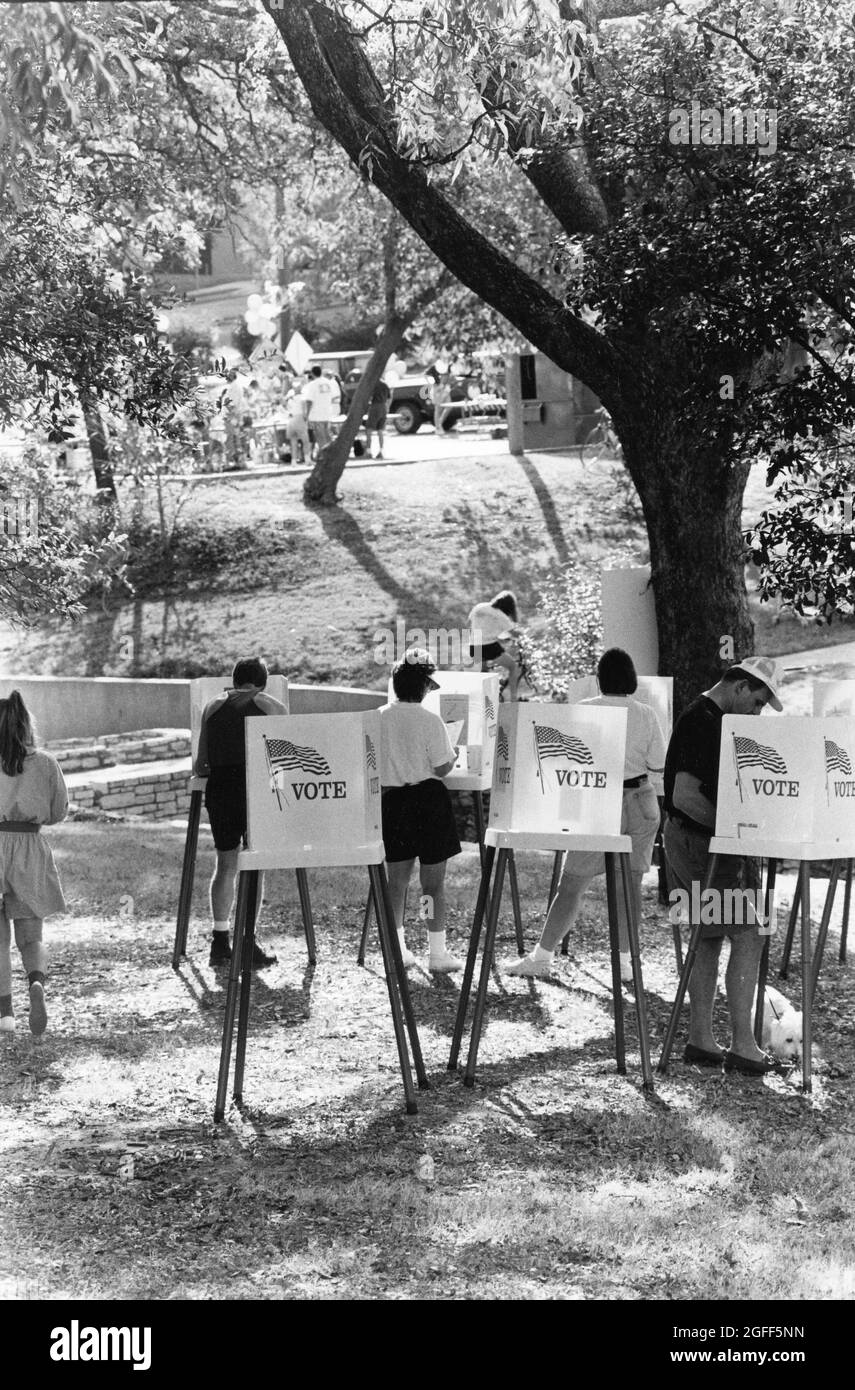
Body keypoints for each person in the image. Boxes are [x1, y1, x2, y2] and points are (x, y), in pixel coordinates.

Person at [506, 648, 665, 982]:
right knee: (630, 887)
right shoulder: (647, 714)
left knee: (573, 883)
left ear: (599, 679)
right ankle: (625, 963)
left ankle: (543, 955)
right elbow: (657, 765)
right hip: (640, 799)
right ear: (632, 679)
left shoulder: (582, 710)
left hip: (595, 799)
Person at [662, 656, 786, 1075]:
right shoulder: (704, 722)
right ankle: (743, 1045)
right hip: (701, 843)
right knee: (750, 934)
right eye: (756, 703)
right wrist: (736, 827)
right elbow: (683, 795)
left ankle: (701, 1040)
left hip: (692, 840)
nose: (756, 713)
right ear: (738, 687)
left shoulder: (709, 717)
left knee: (708, 937)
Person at [194, 657, 287, 967]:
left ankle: (220, 941)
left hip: (220, 789)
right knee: (255, 864)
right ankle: (248, 940)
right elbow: (283, 757)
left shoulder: (211, 706)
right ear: (261, 682)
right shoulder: (270, 704)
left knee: (225, 864)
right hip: (254, 787)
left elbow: (201, 763)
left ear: (234, 681)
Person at [379, 649, 464, 972]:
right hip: (428, 802)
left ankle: (397, 946)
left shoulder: (379, 717)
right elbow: (442, 768)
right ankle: (436, 951)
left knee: (396, 882)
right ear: (425, 686)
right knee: (432, 886)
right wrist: (453, 755)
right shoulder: (431, 721)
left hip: (393, 803)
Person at [0, 691, 68, 1036]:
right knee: (31, 935)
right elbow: (58, 813)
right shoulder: (45, 762)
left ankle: (5, 1015)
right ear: (25, 723)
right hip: (28, 846)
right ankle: (36, 984)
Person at [468, 590, 522, 699]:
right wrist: (524, 636)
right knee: (512, 666)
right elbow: (514, 634)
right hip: (489, 647)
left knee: (483, 673)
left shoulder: (480, 606)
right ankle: (513, 698)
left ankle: (482, 699)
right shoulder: (501, 616)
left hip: (474, 646)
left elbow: (470, 622)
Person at [302, 364, 336, 458]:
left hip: (316, 415)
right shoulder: (328, 383)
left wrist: (306, 414)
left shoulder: (312, 385)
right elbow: (333, 397)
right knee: (327, 436)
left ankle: (325, 456)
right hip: (328, 414)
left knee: (320, 437)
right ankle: (332, 455)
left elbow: (309, 401)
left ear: (312, 373)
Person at [219, 369, 247, 469]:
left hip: (231, 417)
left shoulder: (234, 387)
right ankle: (237, 462)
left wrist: (231, 418)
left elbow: (232, 405)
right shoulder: (234, 386)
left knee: (231, 440)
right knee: (234, 440)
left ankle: (231, 463)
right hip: (233, 417)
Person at [284, 378, 311, 465]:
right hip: (300, 419)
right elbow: (304, 412)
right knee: (305, 441)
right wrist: (306, 419)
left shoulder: (290, 400)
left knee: (293, 442)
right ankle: (307, 460)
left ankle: (294, 461)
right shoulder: (302, 398)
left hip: (291, 420)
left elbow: (287, 409)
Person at [366, 377, 391, 459]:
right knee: (380, 430)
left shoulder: (373, 384)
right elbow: (389, 397)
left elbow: (369, 397)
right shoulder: (385, 384)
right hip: (383, 407)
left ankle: (369, 451)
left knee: (369, 429)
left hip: (375, 406)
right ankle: (381, 451)